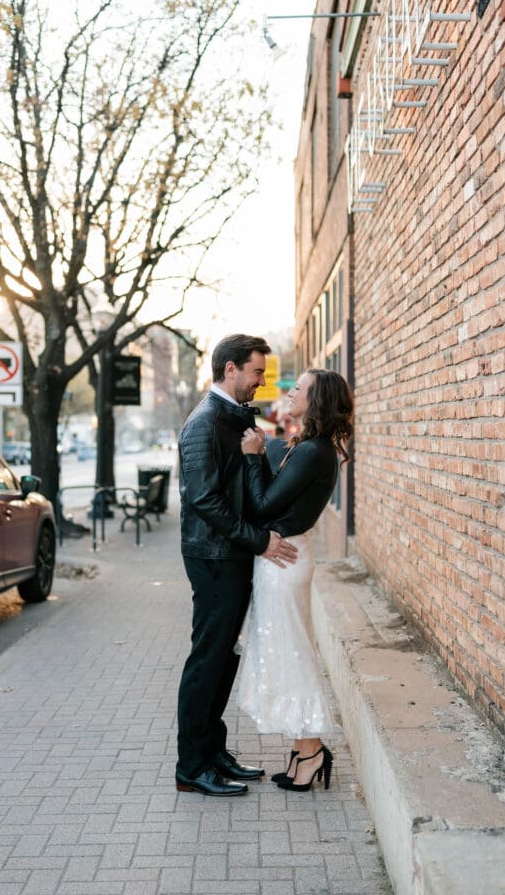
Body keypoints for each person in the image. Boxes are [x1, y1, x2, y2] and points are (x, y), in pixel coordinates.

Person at [175, 334, 298, 797]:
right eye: (256, 372)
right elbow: (203, 499)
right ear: (230, 370)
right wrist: (258, 541)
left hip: (231, 555)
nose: (261, 381)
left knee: (223, 658)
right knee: (207, 659)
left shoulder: (233, 419)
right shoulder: (204, 424)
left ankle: (212, 751)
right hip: (213, 557)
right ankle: (191, 766)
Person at [237, 368, 354, 792]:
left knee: (294, 656)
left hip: (284, 561)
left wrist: (253, 455)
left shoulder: (313, 452)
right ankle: (303, 749)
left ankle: (312, 751)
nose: (290, 392)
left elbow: (265, 504)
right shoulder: (308, 447)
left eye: (299, 389)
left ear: (316, 399)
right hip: (283, 557)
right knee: (286, 654)